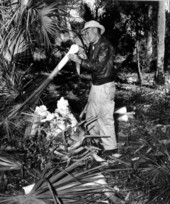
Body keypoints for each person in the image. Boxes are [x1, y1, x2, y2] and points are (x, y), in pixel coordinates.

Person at [69, 20, 117, 155]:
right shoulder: (94, 45)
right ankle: (96, 142)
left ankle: (110, 149)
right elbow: (92, 64)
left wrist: (79, 60)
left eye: (88, 32)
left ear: (96, 31)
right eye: (85, 33)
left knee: (105, 118)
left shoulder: (104, 46)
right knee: (90, 117)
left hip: (105, 86)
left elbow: (98, 66)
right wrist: (82, 58)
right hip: (96, 85)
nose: (86, 35)